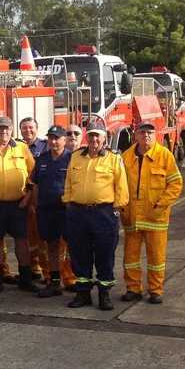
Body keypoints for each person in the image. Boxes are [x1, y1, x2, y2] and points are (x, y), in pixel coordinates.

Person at [62, 128, 129, 310]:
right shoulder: (76, 157)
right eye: (90, 135)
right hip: (78, 213)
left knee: (104, 254)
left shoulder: (114, 158)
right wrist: (67, 202)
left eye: (97, 136)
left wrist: (117, 208)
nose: (93, 139)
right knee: (79, 253)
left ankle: (104, 294)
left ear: (104, 138)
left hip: (104, 213)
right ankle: (82, 293)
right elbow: (68, 182)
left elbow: (122, 186)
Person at [120, 122, 183, 304]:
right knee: (130, 257)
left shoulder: (165, 156)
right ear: (135, 135)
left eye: (149, 132)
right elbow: (120, 185)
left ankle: (155, 290)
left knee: (156, 257)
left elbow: (176, 184)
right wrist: (122, 207)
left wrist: (161, 205)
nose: (146, 136)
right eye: (142, 132)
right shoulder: (126, 157)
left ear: (155, 135)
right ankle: (133, 289)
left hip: (156, 218)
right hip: (131, 217)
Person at [0, 116, 36, 291]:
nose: (4, 131)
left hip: (18, 204)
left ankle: (26, 278)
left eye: (7, 128)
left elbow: (34, 175)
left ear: (12, 130)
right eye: (0, 128)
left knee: (22, 241)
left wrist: (28, 198)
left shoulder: (22, 148)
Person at [30, 126, 76, 298]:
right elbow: (35, 184)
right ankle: (54, 282)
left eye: (57, 138)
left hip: (67, 210)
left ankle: (75, 280)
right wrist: (35, 205)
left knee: (73, 247)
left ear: (65, 140)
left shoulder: (72, 159)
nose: (53, 141)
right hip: (46, 210)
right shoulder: (41, 159)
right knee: (52, 246)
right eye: (51, 138)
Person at [19, 116, 49, 284]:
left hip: (37, 198)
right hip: (22, 198)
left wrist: (33, 200)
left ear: (37, 129)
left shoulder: (45, 147)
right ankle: (33, 268)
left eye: (31, 127)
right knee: (27, 237)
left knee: (41, 237)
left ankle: (46, 272)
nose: (28, 130)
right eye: (24, 128)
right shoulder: (16, 147)